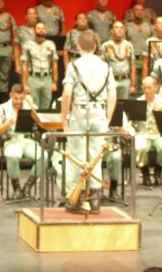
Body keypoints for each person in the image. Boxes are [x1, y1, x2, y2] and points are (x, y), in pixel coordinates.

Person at [60, 29, 116, 213]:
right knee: (95, 157)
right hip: (99, 113)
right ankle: (95, 200)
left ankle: (74, 200)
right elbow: (112, 94)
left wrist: (63, 118)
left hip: (79, 113)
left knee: (76, 156)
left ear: (77, 46)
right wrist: (107, 118)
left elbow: (67, 93)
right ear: (95, 46)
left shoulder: (74, 66)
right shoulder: (105, 66)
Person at [121, 76, 162, 186]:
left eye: (149, 88)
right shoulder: (138, 101)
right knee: (140, 147)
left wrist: (161, 115)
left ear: (155, 88)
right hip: (143, 132)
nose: (147, 91)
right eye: (144, 88)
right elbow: (132, 122)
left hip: (158, 133)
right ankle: (145, 173)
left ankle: (158, 171)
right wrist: (130, 128)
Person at [0, 84, 39, 196]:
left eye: (21, 98)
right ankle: (16, 188)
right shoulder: (2, 108)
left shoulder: (29, 106)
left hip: (28, 141)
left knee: (44, 156)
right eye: (16, 98)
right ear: (11, 95)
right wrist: (8, 123)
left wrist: (32, 105)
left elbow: (41, 122)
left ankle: (28, 186)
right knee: (12, 156)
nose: (19, 101)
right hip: (11, 141)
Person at [21, 21, 58, 109]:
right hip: (33, 78)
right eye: (38, 28)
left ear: (45, 31)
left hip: (47, 78)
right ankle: (35, 123)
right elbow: (24, 65)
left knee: (46, 105)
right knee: (33, 105)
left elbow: (54, 64)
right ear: (34, 30)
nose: (41, 30)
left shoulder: (51, 44)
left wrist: (55, 82)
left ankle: (43, 122)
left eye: (43, 28)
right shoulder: (28, 45)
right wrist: (24, 84)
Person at [103, 22, 135, 99]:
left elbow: (132, 65)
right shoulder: (106, 46)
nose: (119, 30)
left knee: (125, 106)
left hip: (125, 81)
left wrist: (133, 85)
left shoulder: (129, 45)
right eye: (117, 28)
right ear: (112, 31)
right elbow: (102, 67)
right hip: (111, 80)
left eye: (121, 28)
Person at [125, 4, 153, 81]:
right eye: (137, 10)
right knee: (133, 86)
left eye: (141, 10)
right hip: (133, 60)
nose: (139, 12)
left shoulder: (149, 26)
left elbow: (154, 43)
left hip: (147, 61)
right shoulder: (127, 26)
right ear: (132, 12)